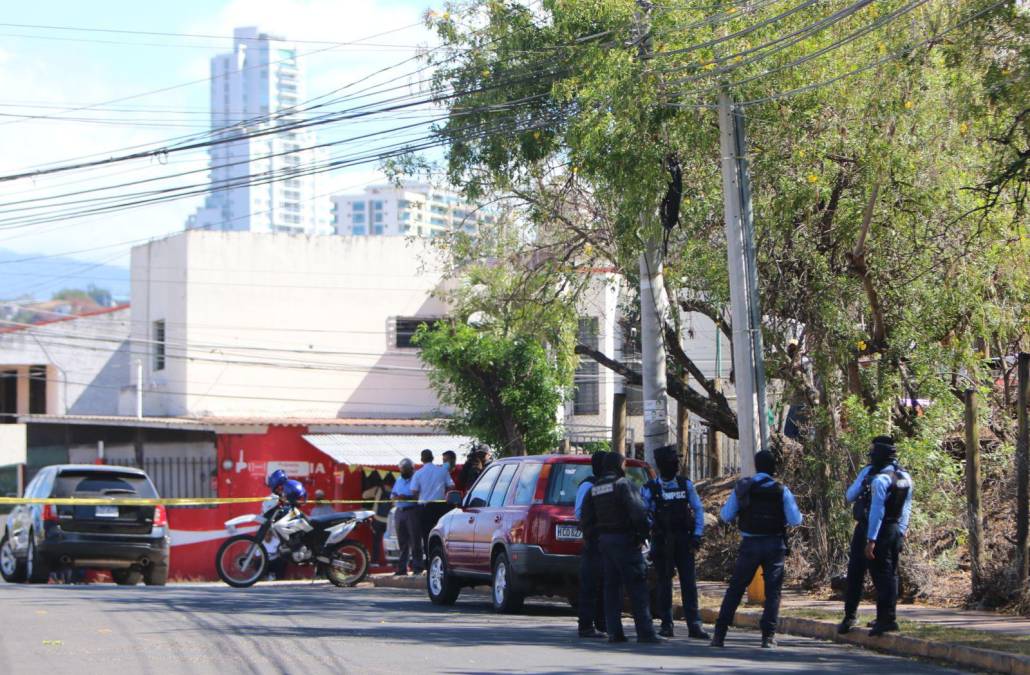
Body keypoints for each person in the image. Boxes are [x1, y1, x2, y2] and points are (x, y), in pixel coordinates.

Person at [710, 450, 803, 649]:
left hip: (749, 546)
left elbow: (725, 515)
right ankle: (768, 637)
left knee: (735, 589)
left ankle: (719, 635)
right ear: (774, 468)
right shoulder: (781, 490)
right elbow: (796, 520)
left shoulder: (744, 487)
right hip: (774, 545)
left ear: (756, 466)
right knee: (773, 592)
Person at [580, 452, 661, 645]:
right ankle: (646, 633)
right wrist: (642, 536)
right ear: (618, 465)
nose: (625, 467)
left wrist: (596, 540)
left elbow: (586, 519)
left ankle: (614, 633)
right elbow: (639, 513)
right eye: (623, 464)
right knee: (637, 588)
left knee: (611, 588)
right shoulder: (623, 485)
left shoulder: (595, 488)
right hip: (625, 541)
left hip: (605, 544)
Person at [838, 436, 914, 637]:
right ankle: (886, 617)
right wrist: (902, 529)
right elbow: (907, 506)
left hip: (871, 530)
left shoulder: (877, 478)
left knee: (863, 574)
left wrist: (871, 539)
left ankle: (861, 617)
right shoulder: (904, 476)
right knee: (889, 575)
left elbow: (871, 508)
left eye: (873, 453)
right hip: (894, 530)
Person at [641, 444, 710, 639]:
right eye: (672, 463)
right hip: (662, 540)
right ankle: (666, 624)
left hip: (683, 539)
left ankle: (694, 625)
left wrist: (697, 534)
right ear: (662, 465)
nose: (676, 466)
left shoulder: (685, 484)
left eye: (676, 462)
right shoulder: (650, 488)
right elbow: (643, 512)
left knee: (689, 583)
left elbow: (698, 509)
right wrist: (650, 531)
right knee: (663, 584)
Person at [574, 450, 608, 639]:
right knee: (590, 585)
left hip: (605, 542)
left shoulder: (606, 485)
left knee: (605, 584)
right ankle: (586, 625)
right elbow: (579, 513)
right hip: (594, 541)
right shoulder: (588, 485)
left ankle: (602, 623)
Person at [411, 449, 455, 557]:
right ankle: (442, 557)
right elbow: (451, 486)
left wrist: (421, 498)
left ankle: (430, 561)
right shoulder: (442, 471)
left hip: (425, 508)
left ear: (422, 459)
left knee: (426, 536)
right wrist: (443, 492)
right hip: (441, 507)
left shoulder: (418, 473)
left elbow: (414, 491)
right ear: (433, 458)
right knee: (441, 534)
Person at [392, 458, 422, 575]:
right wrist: (395, 496)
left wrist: (406, 497)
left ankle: (417, 568)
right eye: (401, 469)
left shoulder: (416, 479)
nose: (402, 472)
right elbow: (393, 493)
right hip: (399, 511)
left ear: (411, 469)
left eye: (404, 470)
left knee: (415, 540)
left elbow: (418, 496)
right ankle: (402, 569)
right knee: (402, 542)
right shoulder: (399, 479)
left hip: (412, 511)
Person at [361, 475, 392, 565]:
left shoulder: (378, 489)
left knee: (376, 541)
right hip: (389, 520)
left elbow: (364, 495)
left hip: (377, 519)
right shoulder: (395, 490)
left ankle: (375, 561)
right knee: (389, 541)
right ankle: (390, 561)